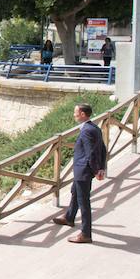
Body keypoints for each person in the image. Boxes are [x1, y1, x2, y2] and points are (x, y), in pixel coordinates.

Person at [52, 103, 106, 243]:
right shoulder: (94, 128)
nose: (74, 114)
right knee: (75, 193)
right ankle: (69, 217)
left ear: (82, 114)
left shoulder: (87, 130)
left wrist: (96, 171)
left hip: (84, 171)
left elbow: (91, 153)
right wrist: (102, 167)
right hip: (83, 170)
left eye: (76, 112)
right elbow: (103, 149)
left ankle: (86, 234)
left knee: (84, 203)